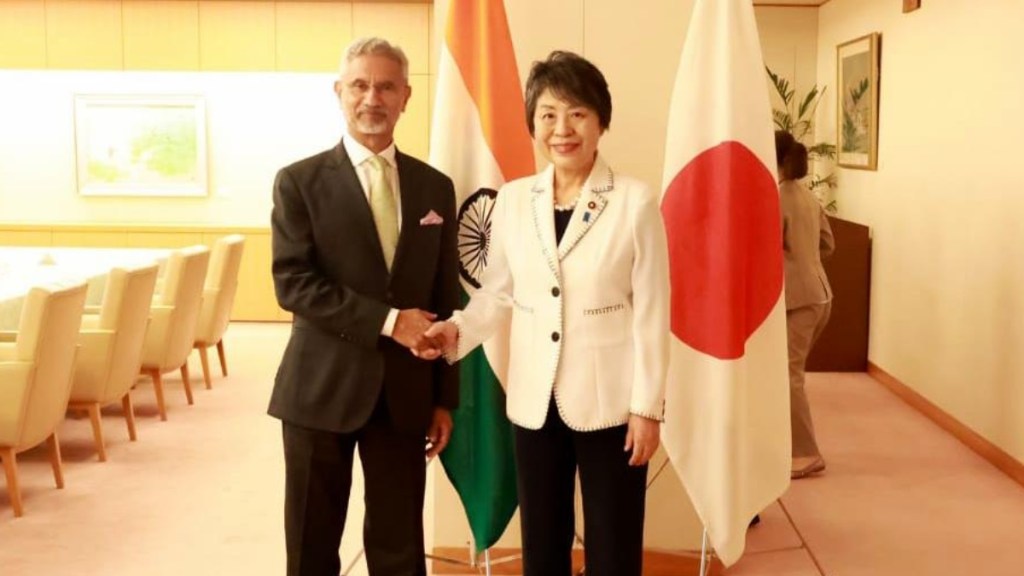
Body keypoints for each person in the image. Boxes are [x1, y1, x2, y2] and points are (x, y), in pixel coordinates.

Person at [424, 51, 669, 576]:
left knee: (613, 543)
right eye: (549, 114)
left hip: (611, 405)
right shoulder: (514, 200)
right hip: (534, 400)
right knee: (542, 543)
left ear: (601, 120)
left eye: (578, 113)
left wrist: (648, 408)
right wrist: (454, 331)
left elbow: (652, 310)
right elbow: (498, 293)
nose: (563, 129)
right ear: (534, 122)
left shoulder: (634, 201)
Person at [268, 37, 460, 576]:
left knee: (400, 545)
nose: (371, 97)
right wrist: (388, 322)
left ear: (406, 97)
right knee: (311, 543)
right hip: (318, 391)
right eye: (359, 84)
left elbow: (446, 298)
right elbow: (293, 284)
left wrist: (445, 397)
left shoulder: (434, 188)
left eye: (385, 86)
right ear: (339, 92)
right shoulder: (298, 183)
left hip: (403, 396)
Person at [775, 132, 835, 479]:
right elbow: (827, 245)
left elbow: (763, 252)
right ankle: (789, 445)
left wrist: (789, 262)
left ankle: (807, 453)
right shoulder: (809, 197)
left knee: (788, 377)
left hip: (798, 302)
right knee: (790, 376)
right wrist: (803, 258)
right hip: (821, 295)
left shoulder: (776, 198)